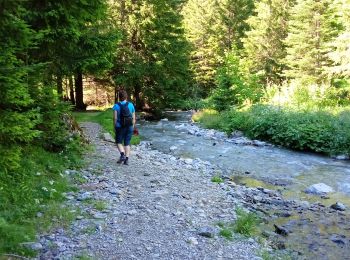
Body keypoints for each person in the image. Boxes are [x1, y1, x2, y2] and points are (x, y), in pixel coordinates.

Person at [112, 90, 136, 165]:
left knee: (119, 142)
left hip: (120, 126)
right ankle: (126, 160)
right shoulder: (131, 105)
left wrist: (115, 126)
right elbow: (133, 118)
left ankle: (122, 155)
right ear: (126, 96)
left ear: (119, 97)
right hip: (129, 126)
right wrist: (133, 126)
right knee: (127, 143)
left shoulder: (116, 106)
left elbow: (115, 118)